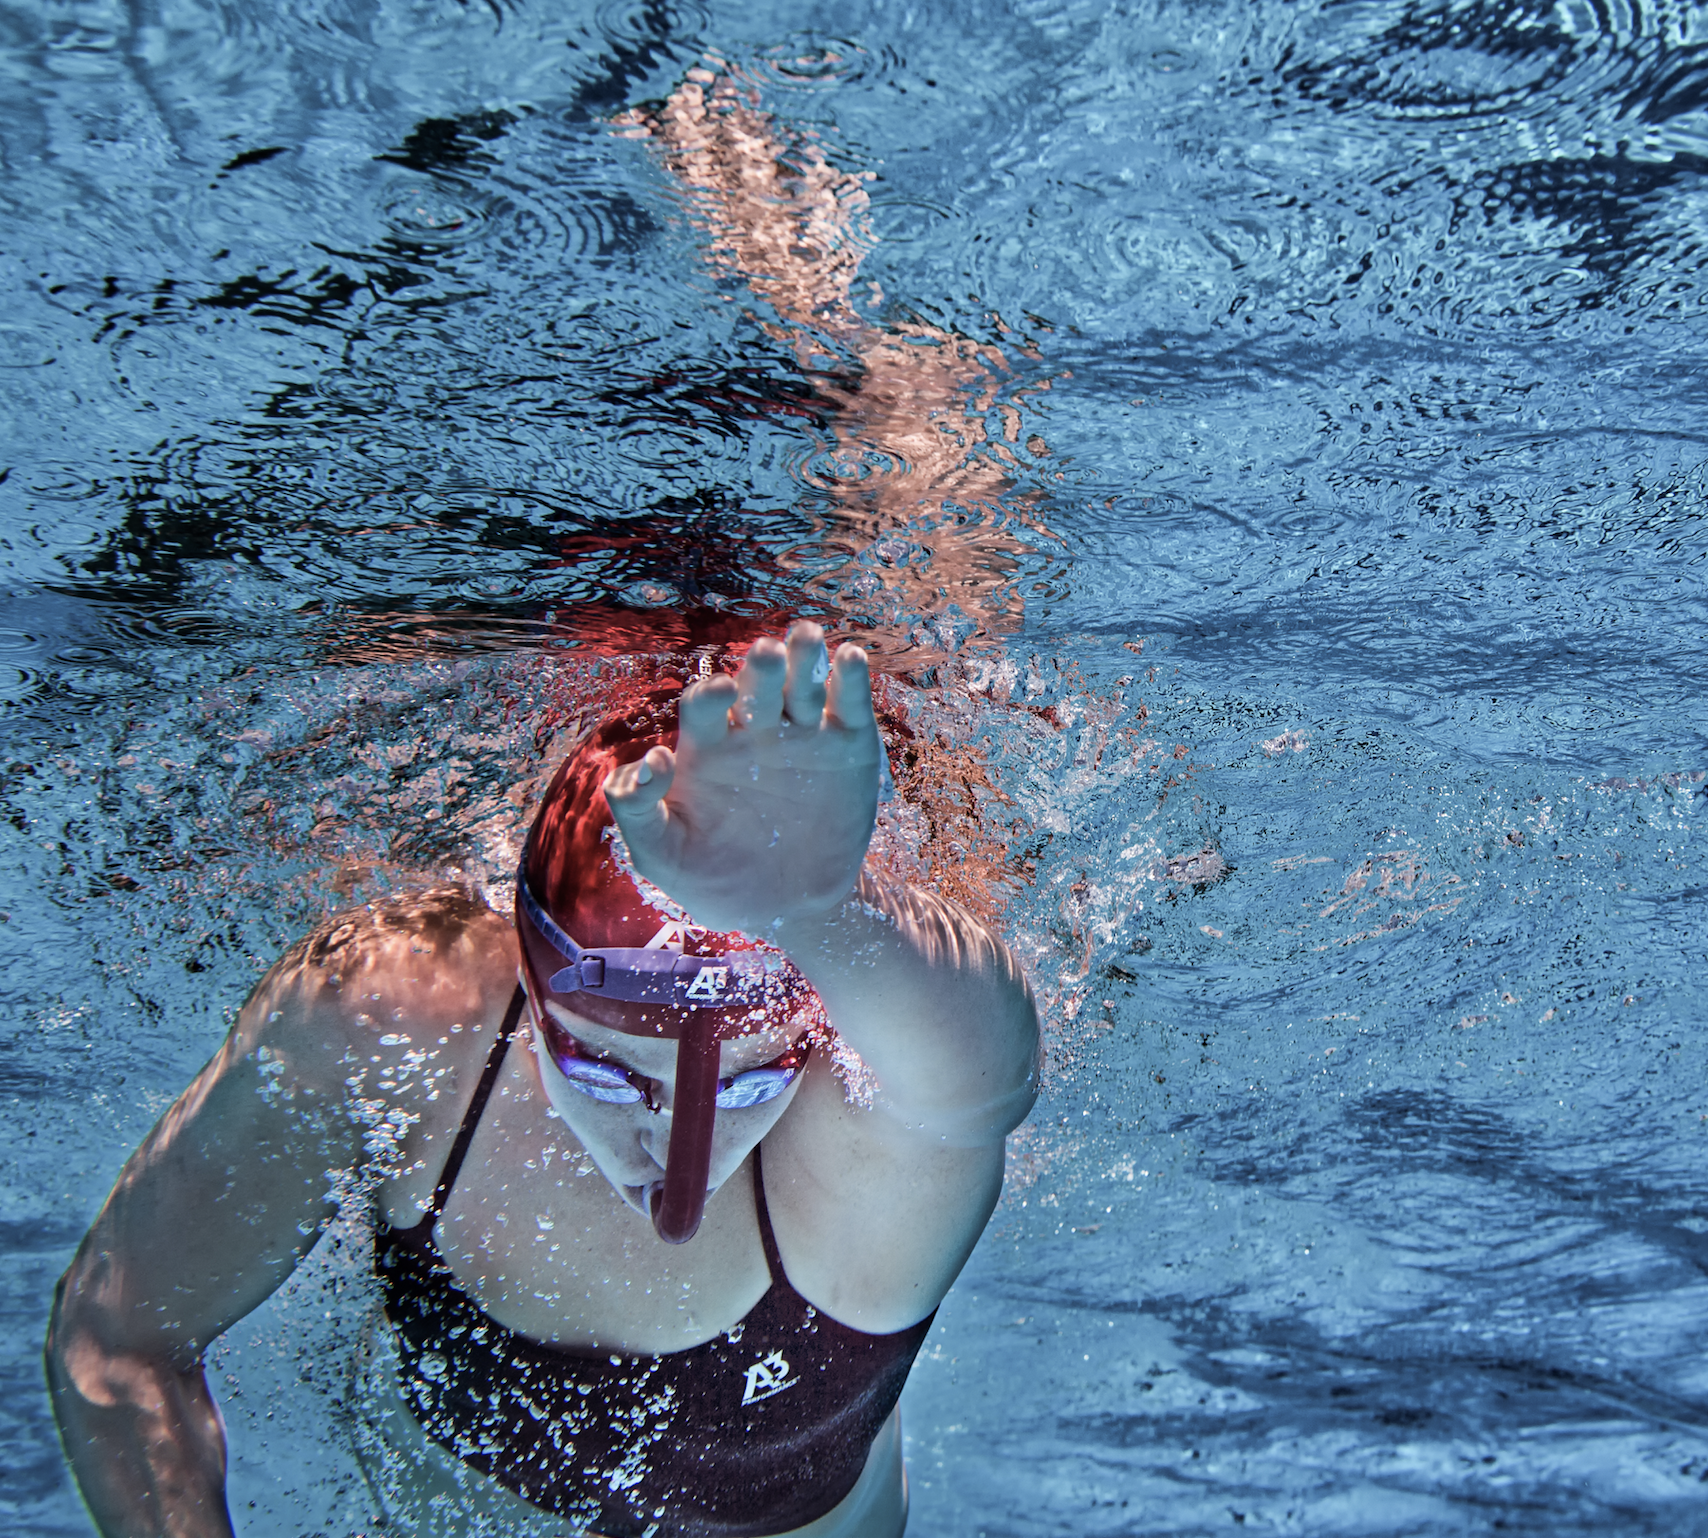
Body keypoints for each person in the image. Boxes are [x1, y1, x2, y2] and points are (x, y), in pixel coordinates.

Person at [46, 622, 1042, 1538]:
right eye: (608, 1073)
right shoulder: (399, 1019)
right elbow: (118, 1333)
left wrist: (819, 908)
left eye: (744, 1085)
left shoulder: (858, 1147)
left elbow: (989, 1074)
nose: (671, 1154)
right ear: (528, 995)